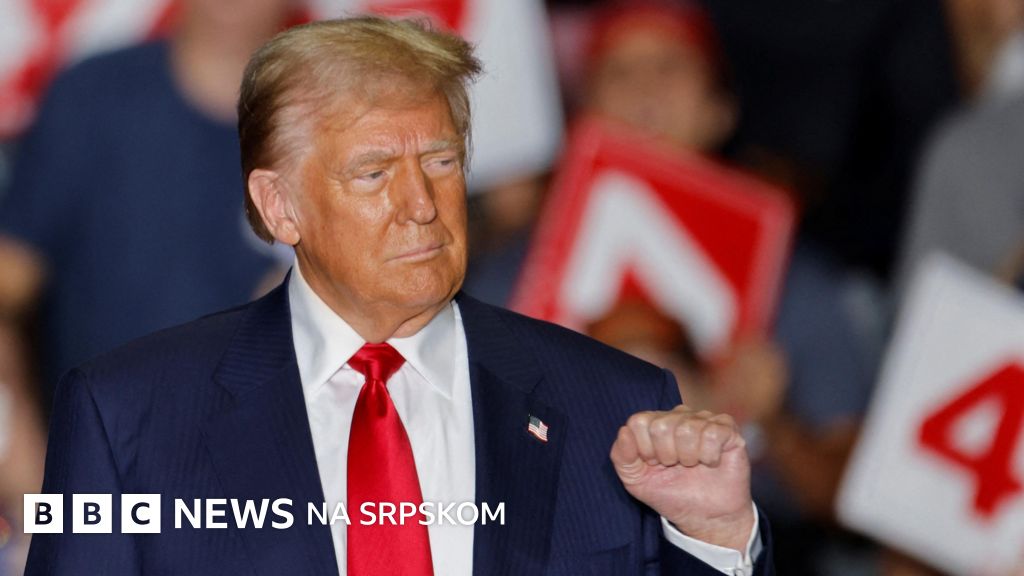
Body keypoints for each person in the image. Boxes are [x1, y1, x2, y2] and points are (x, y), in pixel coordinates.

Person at [26, 16, 774, 576]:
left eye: (442, 161)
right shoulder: (126, 418)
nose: (422, 204)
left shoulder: (616, 408)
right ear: (280, 207)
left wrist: (714, 541)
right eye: (374, 172)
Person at [0, 0, 289, 404]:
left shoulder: (336, 120)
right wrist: (13, 423)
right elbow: (10, 280)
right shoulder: (93, 97)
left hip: (270, 434)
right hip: (101, 433)